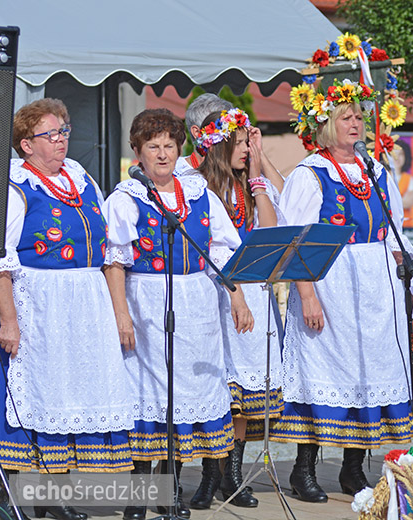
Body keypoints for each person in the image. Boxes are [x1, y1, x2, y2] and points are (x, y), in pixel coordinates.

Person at [269, 78, 413, 503]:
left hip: (374, 286)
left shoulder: (375, 169)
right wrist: (308, 295)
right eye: (346, 117)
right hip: (330, 281)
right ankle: (304, 469)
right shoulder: (310, 174)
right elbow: (298, 239)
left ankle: (353, 469)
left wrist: (404, 277)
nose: (356, 123)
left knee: (367, 373)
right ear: (326, 124)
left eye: (359, 116)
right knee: (325, 374)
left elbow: (394, 231)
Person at [102, 108, 253, 520]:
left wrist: (237, 298)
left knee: (185, 394)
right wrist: (121, 315)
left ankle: (170, 491)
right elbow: (114, 260)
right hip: (147, 300)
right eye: (153, 146)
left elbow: (223, 248)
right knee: (149, 395)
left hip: (198, 301)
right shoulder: (125, 197)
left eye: (170, 145)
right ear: (138, 152)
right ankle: (138, 492)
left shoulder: (200, 192)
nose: (163, 154)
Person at [0, 98, 136, 520]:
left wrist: (116, 313)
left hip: (83, 305)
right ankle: (6, 495)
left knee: (69, 395)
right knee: (33, 397)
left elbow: (109, 249)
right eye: (49, 134)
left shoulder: (80, 176)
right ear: (25, 144)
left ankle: (53, 494)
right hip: (40, 304)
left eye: (64, 132)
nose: (60, 141)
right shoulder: (14, 186)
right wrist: (10, 322)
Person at [187, 108, 284, 509]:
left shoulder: (249, 187)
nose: (247, 149)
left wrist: (258, 173)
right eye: (241, 143)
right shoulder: (195, 186)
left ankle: (234, 474)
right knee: (220, 389)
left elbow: (270, 228)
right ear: (221, 145)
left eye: (248, 142)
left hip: (254, 290)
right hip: (216, 292)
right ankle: (211, 473)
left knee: (246, 393)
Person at [175, 93, 285, 195]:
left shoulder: (241, 171)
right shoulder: (177, 172)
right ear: (197, 132)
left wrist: (258, 151)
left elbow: (284, 195)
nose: (231, 136)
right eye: (222, 128)